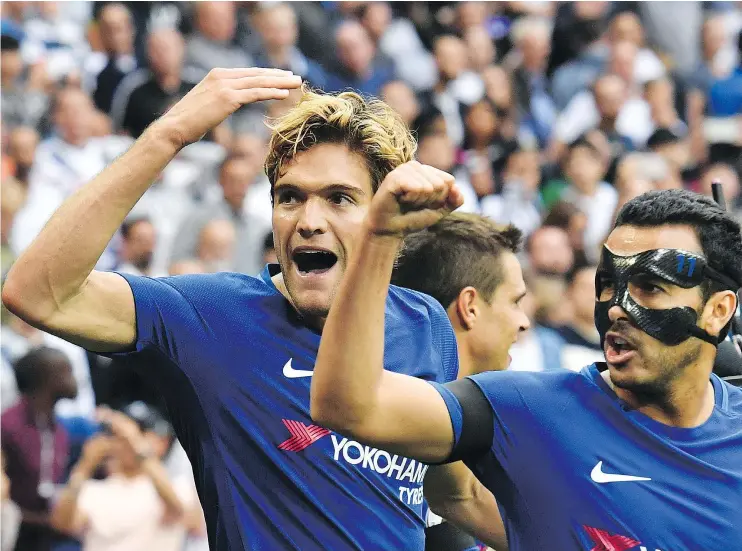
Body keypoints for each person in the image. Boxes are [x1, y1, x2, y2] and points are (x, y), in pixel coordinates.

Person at [2, 68, 500, 550]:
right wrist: (170, 134)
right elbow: (39, 294)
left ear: (388, 211)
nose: (308, 221)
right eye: (289, 197)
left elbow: (448, 492)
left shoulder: (426, 324)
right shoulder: (211, 318)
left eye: (339, 199)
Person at [311, 186, 742, 550]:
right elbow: (349, 404)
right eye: (608, 284)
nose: (616, 309)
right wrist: (379, 238)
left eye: (649, 288)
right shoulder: (530, 410)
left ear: (717, 312)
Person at [393, 212, 527, 551]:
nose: (523, 322)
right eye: (515, 301)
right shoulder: (384, 413)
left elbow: (463, 496)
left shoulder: (460, 430)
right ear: (469, 307)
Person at [51, 403, 199, 551]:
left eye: (141, 432)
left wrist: (136, 442)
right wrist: (85, 466)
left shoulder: (177, 486)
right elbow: (63, 523)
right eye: (119, 436)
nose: (126, 443)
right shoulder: (94, 490)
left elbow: (178, 510)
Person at [1, 347, 78, 551]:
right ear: (45, 378)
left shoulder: (59, 429)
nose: (74, 379)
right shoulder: (8, 427)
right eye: (66, 371)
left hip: (46, 537)